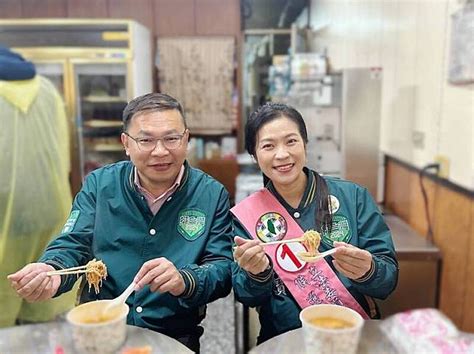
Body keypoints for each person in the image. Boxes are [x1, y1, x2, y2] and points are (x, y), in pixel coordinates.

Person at [8, 93, 234, 353]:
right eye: (146, 140)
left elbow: (222, 268)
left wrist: (185, 280)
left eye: (171, 138)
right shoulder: (100, 185)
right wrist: (52, 272)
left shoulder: (210, 193)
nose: (160, 151)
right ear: (126, 143)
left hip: (173, 336)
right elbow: (73, 244)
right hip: (99, 331)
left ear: (186, 139)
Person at [232, 102, 398, 344]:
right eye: (268, 146)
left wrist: (368, 270)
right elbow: (245, 295)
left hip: (350, 339)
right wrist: (257, 274)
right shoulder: (248, 215)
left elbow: (388, 281)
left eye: (291, 141)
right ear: (255, 156)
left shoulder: (353, 197)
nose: (282, 154)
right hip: (283, 341)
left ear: (305, 143)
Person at [0, 47, 77, 327]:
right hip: (49, 208)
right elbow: (63, 155)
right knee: (41, 290)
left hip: (3, 217)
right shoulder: (46, 90)